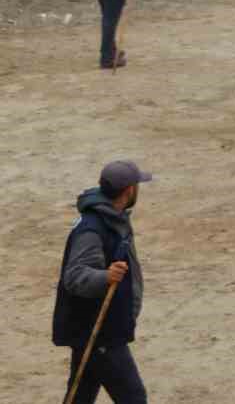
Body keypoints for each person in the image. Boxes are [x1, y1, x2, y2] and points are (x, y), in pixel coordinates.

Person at [53, 159, 153, 404]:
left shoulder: (111, 218)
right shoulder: (93, 228)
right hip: (99, 333)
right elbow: (75, 276)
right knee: (133, 398)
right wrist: (104, 276)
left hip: (94, 329)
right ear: (129, 190)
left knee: (81, 396)